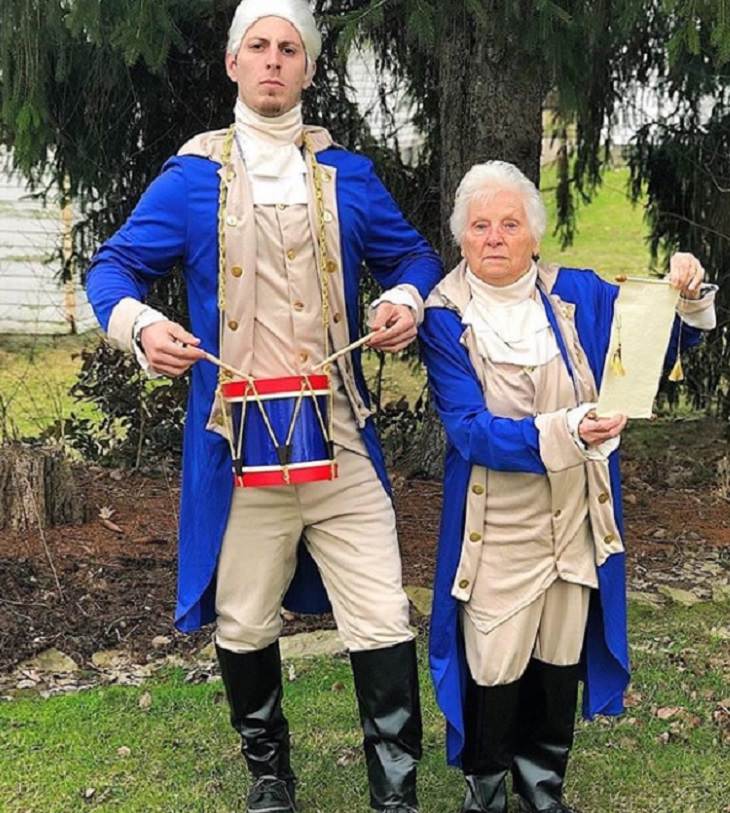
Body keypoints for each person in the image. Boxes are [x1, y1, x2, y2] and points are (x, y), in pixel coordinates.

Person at [85, 2, 442, 811]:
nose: (275, 60)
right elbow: (111, 271)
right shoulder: (191, 179)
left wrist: (407, 300)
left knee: (382, 609)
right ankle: (270, 777)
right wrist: (143, 327)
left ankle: (395, 792)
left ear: (309, 70)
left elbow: (412, 253)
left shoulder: (347, 175)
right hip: (239, 441)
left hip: (340, 434)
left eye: (290, 49)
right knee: (244, 619)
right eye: (260, 47)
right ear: (233, 63)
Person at [419, 160, 716, 813]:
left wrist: (687, 291)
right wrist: (569, 430)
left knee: (557, 651)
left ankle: (542, 786)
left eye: (509, 223)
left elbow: (652, 349)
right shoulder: (444, 316)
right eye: (479, 225)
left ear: (535, 233)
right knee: (494, 658)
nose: (494, 237)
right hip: (497, 522)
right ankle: (488, 789)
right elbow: (472, 431)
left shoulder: (579, 293)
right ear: (462, 237)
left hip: (579, 514)